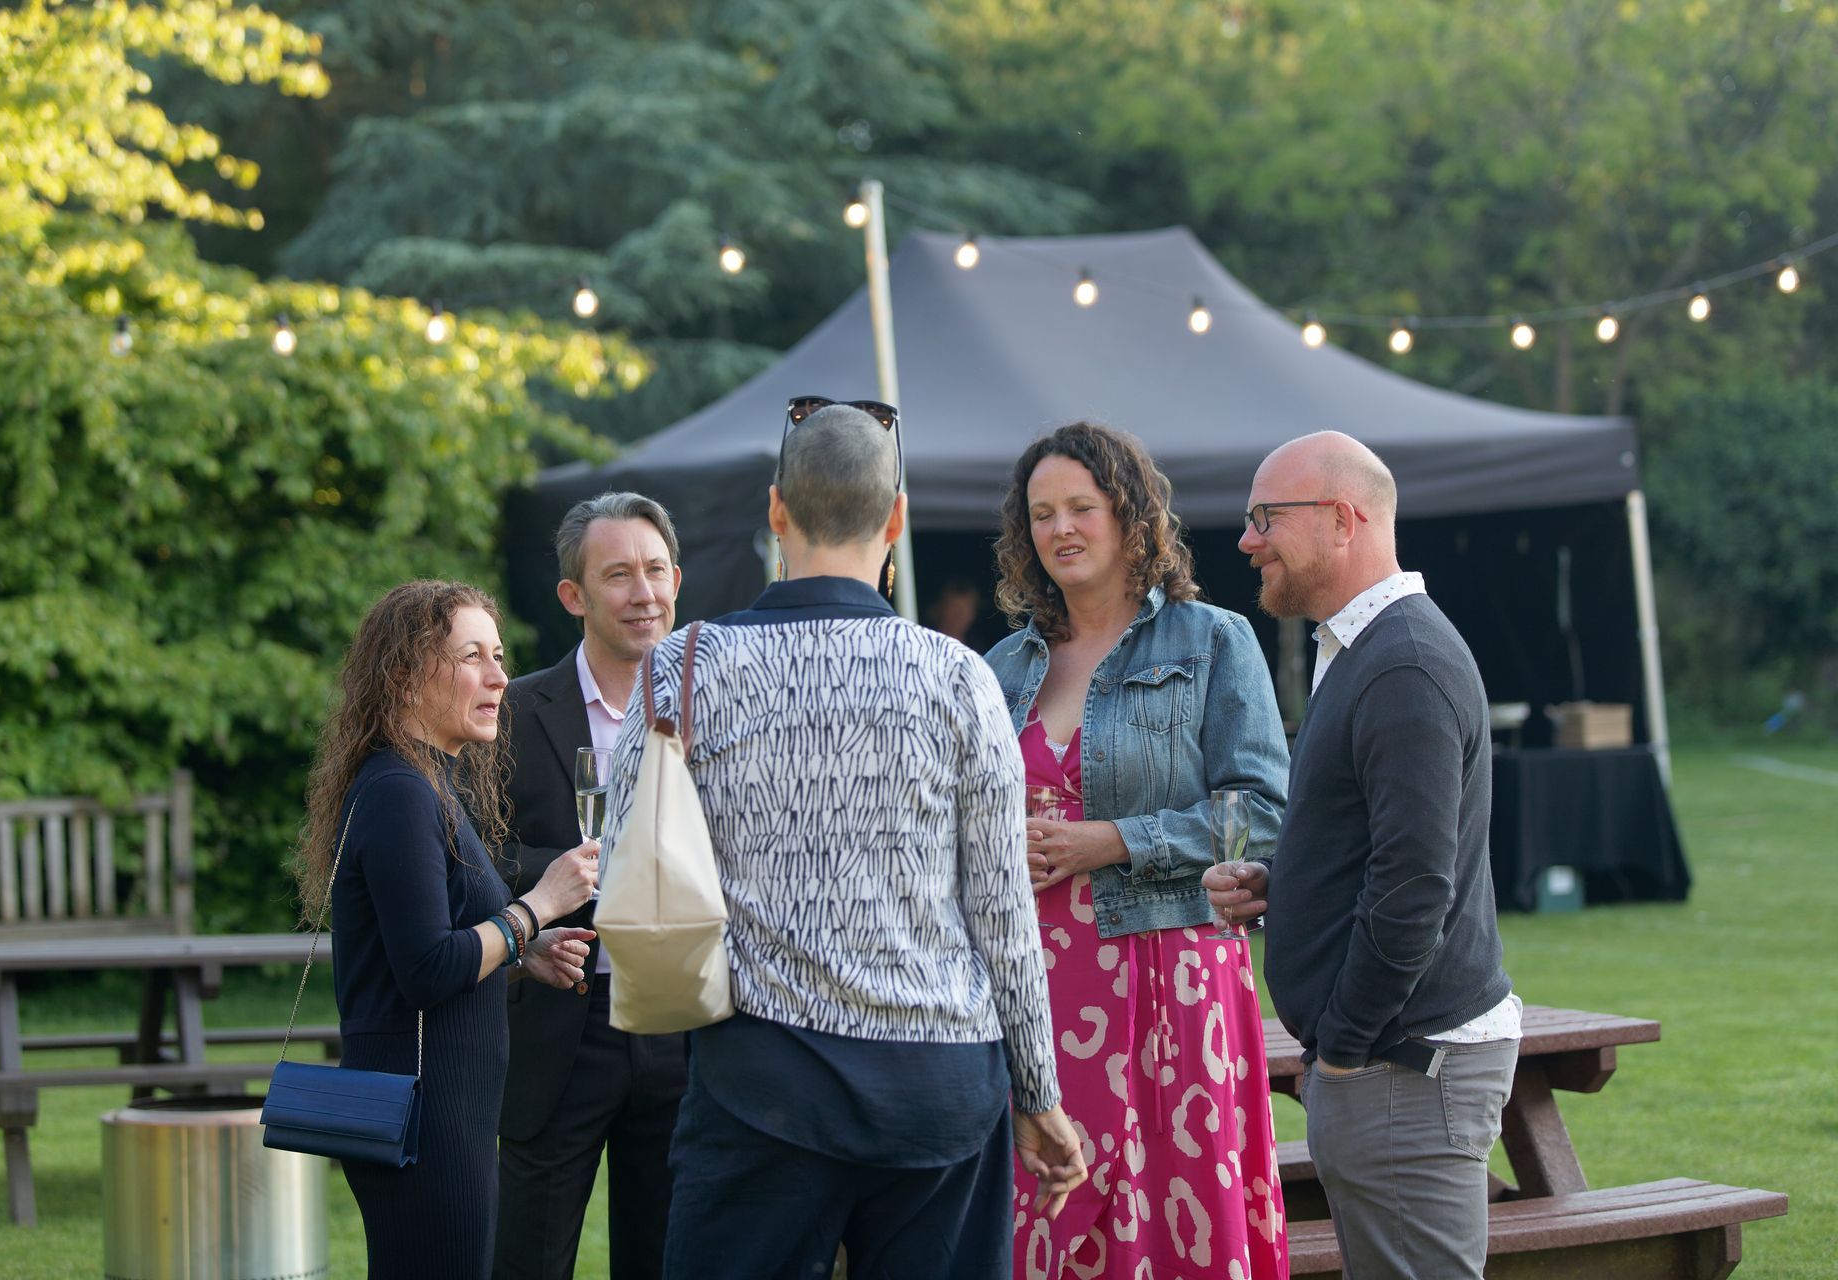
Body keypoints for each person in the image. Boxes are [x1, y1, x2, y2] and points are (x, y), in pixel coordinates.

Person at [602, 398, 1087, 1279]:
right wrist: (1039, 1092)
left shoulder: (685, 665)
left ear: (777, 510)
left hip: (760, 1083)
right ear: (896, 516)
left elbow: (627, 851)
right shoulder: (959, 676)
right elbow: (1002, 912)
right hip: (942, 1086)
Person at [985, 421, 1292, 1280]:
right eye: (1042, 514)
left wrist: (1111, 841)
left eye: (1081, 507)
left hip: (1169, 974)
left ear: (1129, 516)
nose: (1061, 530)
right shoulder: (1001, 667)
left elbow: (1263, 813)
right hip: (1030, 983)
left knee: (1171, 1213)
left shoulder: (1212, 641)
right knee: (1043, 1219)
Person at [1210, 431, 1521, 1279]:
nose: (1247, 540)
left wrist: (1343, 1050)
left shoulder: (1403, 665)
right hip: (1392, 1065)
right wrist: (1287, 887)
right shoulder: (1368, 651)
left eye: (1266, 517)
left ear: (1343, 520)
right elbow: (1387, 850)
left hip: (1401, 1067)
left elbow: (1416, 887)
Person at [294, 580, 597, 1280]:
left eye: (498, 656)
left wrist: (524, 950)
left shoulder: (426, 782)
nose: (499, 677)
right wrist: (537, 908)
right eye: (472, 658)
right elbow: (428, 969)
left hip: (443, 1114)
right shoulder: (401, 792)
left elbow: (440, 949)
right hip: (422, 1121)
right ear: (405, 675)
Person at [495, 493, 687, 1280]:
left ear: (678, 578)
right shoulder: (512, 711)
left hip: (681, 1025)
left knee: (666, 1260)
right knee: (528, 1262)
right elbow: (471, 850)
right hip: (556, 1029)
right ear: (574, 596)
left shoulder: (720, 705)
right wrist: (558, 874)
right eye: (617, 575)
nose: (642, 593)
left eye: (653, 570)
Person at [927, 576, 984, 646]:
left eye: (965, 610)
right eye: (954, 608)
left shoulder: (978, 650)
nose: (959, 616)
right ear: (939, 608)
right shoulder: (926, 644)